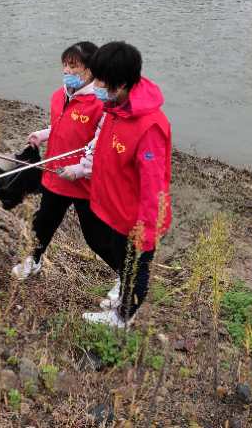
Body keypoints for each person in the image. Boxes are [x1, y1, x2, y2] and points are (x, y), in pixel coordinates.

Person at [77, 41, 172, 328]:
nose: (95, 86)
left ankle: (122, 318)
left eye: (101, 82)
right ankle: (122, 294)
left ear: (120, 85)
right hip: (112, 209)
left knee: (135, 269)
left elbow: (154, 187)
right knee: (119, 260)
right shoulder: (115, 108)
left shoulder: (149, 128)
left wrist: (146, 232)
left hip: (135, 221)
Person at [11, 42, 104, 280]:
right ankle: (34, 259)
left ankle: (125, 277)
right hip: (57, 174)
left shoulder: (100, 103)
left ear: (91, 70)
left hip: (84, 181)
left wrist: (82, 170)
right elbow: (62, 126)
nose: (67, 71)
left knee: (95, 236)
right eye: (65, 65)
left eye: (74, 67)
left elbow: (100, 144)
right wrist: (43, 135)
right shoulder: (59, 95)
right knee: (43, 222)